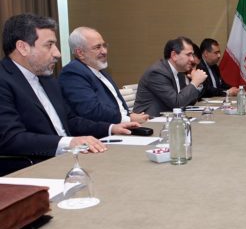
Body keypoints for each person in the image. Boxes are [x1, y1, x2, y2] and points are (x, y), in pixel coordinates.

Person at [0, 14, 138, 175]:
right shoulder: (4, 80)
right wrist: (68, 142)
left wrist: (110, 127)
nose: (57, 53)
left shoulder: (48, 80)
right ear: (22, 47)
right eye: (49, 45)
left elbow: (70, 120)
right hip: (33, 169)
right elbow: (11, 138)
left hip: (70, 160)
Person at [59, 27, 149, 124]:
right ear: (80, 53)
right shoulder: (73, 73)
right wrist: (128, 119)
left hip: (124, 126)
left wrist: (130, 116)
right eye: (97, 47)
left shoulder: (100, 70)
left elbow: (118, 107)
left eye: (104, 45)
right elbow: (91, 110)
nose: (104, 51)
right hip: (101, 134)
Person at [133, 36, 207, 117]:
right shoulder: (157, 72)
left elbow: (187, 102)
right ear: (174, 55)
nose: (192, 59)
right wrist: (195, 82)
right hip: (150, 122)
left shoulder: (180, 72)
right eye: (188, 55)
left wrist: (197, 84)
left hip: (169, 119)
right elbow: (177, 104)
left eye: (192, 55)